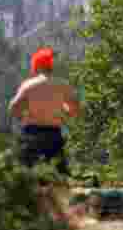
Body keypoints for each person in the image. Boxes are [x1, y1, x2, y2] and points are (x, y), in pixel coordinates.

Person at [8, 47, 81, 177]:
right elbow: (76, 108)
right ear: (50, 66)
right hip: (53, 135)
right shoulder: (62, 85)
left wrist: (22, 117)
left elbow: (13, 107)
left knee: (29, 177)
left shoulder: (28, 85)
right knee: (59, 177)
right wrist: (65, 115)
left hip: (31, 134)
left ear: (36, 66)